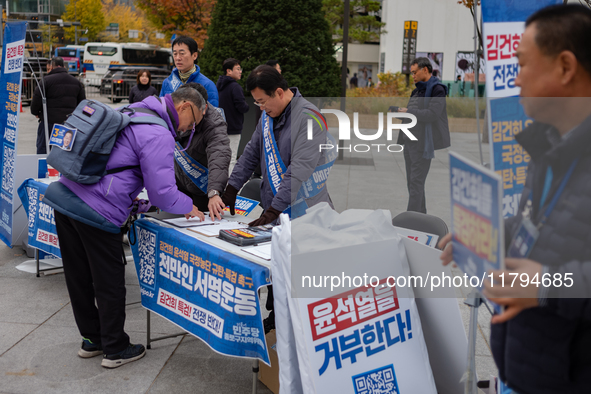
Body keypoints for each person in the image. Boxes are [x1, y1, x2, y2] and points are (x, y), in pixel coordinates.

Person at [440, 5, 591, 393]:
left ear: (565, 67)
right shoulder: (551, 145)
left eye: (521, 63)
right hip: (533, 370)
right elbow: (537, 224)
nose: (512, 77)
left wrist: (547, 287)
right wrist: (483, 237)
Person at [42, 88, 205, 369]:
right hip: (97, 211)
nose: (189, 129)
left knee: (78, 276)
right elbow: (163, 194)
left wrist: (135, 206)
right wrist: (188, 205)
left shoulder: (133, 111)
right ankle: (115, 348)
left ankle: (92, 339)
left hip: (66, 197)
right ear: (187, 107)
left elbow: (118, 165)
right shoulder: (157, 133)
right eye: (192, 123)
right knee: (110, 281)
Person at [222, 65, 335, 333]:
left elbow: (299, 171)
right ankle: (276, 320)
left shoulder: (309, 118)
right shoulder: (269, 115)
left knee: (300, 275)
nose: (260, 108)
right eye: (257, 103)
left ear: (280, 92)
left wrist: (273, 210)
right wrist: (231, 188)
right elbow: (251, 153)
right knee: (276, 267)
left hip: (306, 210)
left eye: (262, 101)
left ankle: (303, 327)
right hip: (278, 209)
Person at [394, 57, 450, 213]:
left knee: (416, 183)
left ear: (425, 69)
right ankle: (421, 216)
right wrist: (397, 112)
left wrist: (408, 111)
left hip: (422, 144)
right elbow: (413, 115)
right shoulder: (417, 90)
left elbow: (432, 114)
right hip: (409, 142)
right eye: (411, 73)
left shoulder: (438, 90)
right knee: (412, 183)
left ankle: (411, 220)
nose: (413, 76)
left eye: (414, 72)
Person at [173, 82, 232, 221]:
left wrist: (214, 192)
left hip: (202, 187)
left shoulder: (214, 123)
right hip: (176, 184)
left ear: (203, 107)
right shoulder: (173, 112)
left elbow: (219, 156)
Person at [31, 57, 85, 154]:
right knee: (64, 152)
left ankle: (44, 169)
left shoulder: (45, 81)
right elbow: (82, 104)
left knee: (44, 150)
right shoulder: (76, 82)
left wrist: (36, 112)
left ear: (51, 67)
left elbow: (36, 101)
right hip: (68, 124)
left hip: (48, 122)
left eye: (48, 69)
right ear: (64, 66)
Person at [160, 36, 219, 106]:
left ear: (194, 55)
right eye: (175, 54)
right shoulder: (167, 82)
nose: (178, 58)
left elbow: (212, 115)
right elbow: (161, 109)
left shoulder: (207, 85)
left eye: (182, 53)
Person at [216, 58, 250, 168]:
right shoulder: (235, 87)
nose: (240, 71)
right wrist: (247, 106)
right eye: (238, 69)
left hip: (219, 127)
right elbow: (241, 107)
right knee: (231, 158)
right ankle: (228, 185)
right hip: (233, 128)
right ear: (229, 71)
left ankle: (219, 183)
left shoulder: (219, 86)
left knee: (219, 158)